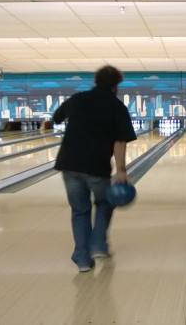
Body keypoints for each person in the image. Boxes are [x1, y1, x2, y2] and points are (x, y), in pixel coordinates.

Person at [53, 65, 137, 272]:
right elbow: (120, 141)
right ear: (117, 85)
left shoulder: (78, 99)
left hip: (69, 164)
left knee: (80, 210)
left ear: (96, 80)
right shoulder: (116, 107)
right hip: (96, 166)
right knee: (105, 202)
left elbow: (56, 117)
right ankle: (98, 244)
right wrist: (121, 171)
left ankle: (82, 259)